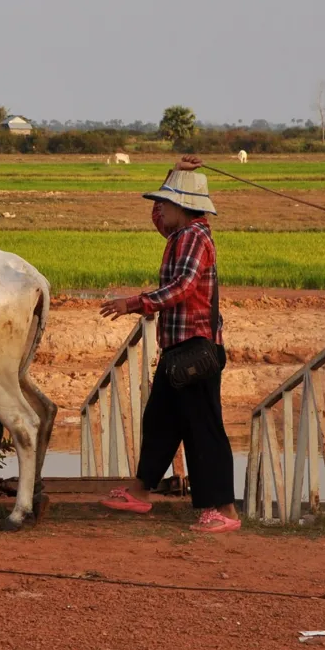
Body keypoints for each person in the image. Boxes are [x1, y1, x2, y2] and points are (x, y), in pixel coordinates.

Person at [98, 155, 239, 533]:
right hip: (177, 350)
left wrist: (133, 304)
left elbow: (183, 288)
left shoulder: (193, 237)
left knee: (204, 429)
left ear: (185, 206)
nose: (159, 209)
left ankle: (224, 510)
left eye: (167, 200)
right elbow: (158, 218)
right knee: (160, 421)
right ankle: (140, 493)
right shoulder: (179, 233)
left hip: (196, 350)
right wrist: (174, 174)